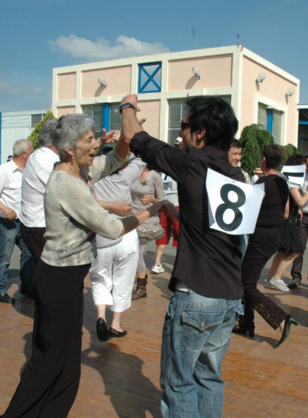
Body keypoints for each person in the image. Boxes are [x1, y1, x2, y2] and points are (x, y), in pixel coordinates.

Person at [0, 114, 164, 417]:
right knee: (50, 365)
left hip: (67, 280)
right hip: (57, 281)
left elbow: (113, 159)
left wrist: (127, 135)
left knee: (65, 368)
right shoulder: (66, 183)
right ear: (69, 149)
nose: (96, 144)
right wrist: (154, 209)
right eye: (89, 140)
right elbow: (112, 228)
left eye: (95, 138)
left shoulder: (78, 172)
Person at [121, 94, 244, 417]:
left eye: (184, 126)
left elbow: (136, 138)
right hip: (229, 297)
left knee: (179, 384)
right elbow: (211, 226)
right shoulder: (236, 177)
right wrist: (170, 210)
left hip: (196, 297)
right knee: (209, 378)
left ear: (200, 132)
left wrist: (126, 105)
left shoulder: (193, 163)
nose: (181, 133)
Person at [234, 145, 299, 346]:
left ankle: (281, 318)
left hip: (261, 237)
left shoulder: (261, 183)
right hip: (275, 235)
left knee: (246, 284)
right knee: (246, 280)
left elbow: (249, 210)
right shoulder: (282, 183)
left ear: (263, 160)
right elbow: (286, 213)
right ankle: (247, 325)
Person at [90, 152, 145, 340]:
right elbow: (140, 159)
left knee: (100, 279)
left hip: (101, 236)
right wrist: (125, 147)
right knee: (123, 280)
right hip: (126, 234)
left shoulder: (91, 179)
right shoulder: (125, 176)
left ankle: (100, 316)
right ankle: (116, 323)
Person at [0, 139, 35, 303]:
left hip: (25, 221)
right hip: (8, 223)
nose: (33, 155)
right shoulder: (3, 171)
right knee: (4, 256)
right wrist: (4, 208)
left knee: (28, 254)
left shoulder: (29, 171)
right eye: (31, 152)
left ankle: (27, 287)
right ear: (24, 154)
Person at [268, 154, 308, 291]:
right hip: (291, 221)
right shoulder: (293, 182)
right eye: (303, 165)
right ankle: (276, 278)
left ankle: (270, 277)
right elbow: (301, 202)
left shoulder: (284, 178)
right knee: (296, 251)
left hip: (289, 218)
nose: (305, 169)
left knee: (282, 251)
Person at [19, 119, 59, 262]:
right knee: (53, 273)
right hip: (40, 226)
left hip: (36, 224)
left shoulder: (39, 155)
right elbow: (65, 194)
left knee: (41, 271)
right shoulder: (48, 161)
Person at [131, 165, 164, 299]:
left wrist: (152, 200)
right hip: (131, 218)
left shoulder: (154, 176)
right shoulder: (133, 172)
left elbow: (163, 202)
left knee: (137, 253)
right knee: (130, 253)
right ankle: (138, 283)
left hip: (147, 219)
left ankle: (141, 287)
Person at [151, 137, 182, 274]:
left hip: (164, 203)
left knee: (163, 233)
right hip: (176, 204)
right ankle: (179, 265)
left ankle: (157, 263)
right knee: (179, 235)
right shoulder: (182, 162)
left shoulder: (165, 162)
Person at [290, 153, 308, 290]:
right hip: (304, 216)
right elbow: (295, 194)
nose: (306, 168)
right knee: (299, 247)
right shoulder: (301, 178)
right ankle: (296, 277)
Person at [228, 139, 250, 261]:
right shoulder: (217, 171)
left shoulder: (240, 174)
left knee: (241, 251)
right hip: (221, 224)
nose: (238, 157)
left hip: (237, 223)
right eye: (234, 154)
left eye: (240, 154)